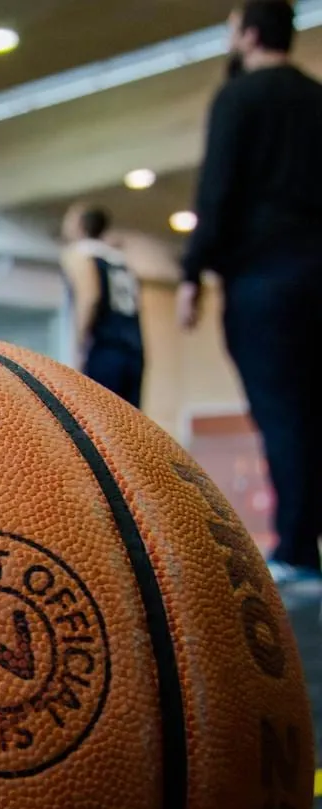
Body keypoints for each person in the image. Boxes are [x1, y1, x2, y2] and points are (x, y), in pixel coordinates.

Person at [178, 0, 322, 589]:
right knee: (312, 410)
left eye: (233, 26)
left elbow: (218, 190)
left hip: (265, 279)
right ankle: (303, 543)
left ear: (250, 32)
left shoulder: (239, 98)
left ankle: (297, 549)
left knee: (282, 411)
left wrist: (191, 271)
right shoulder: (317, 100)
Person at [60, 203, 146, 407]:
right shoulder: (120, 259)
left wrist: (79, 345)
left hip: (104, 348)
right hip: (134, 347)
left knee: (99, 421)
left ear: (79, 225)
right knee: (130, 423)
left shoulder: (80, 253)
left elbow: (90, 297)